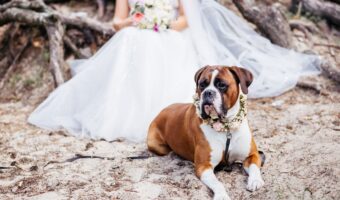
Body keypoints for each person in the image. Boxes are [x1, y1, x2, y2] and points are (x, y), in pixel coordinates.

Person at [28, 0, 321, 142]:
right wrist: (139, 21)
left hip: (168, 35)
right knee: (131, 39)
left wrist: (162, 24)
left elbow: (185, 20)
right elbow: (118, 22)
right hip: (137, 33)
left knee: (162, 44)